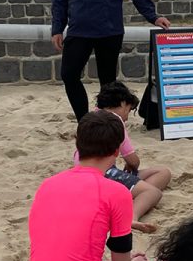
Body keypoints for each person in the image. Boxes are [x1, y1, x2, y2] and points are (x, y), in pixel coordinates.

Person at [27, 111, 153, 261]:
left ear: (78, 145)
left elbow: (66, 252)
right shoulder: (116, 192)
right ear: (116, 151)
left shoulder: (47, 185)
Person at [73, 81, 171, 234]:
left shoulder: (90, 117)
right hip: (104, 174)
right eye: (129, 110)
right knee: (153, 192)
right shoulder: (114, 121)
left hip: (85, 173)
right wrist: (132, 166)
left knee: (162, 172)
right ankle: (131, 216)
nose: (127, 117)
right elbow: (132, 160)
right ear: (123, 103)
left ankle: (130, 197)